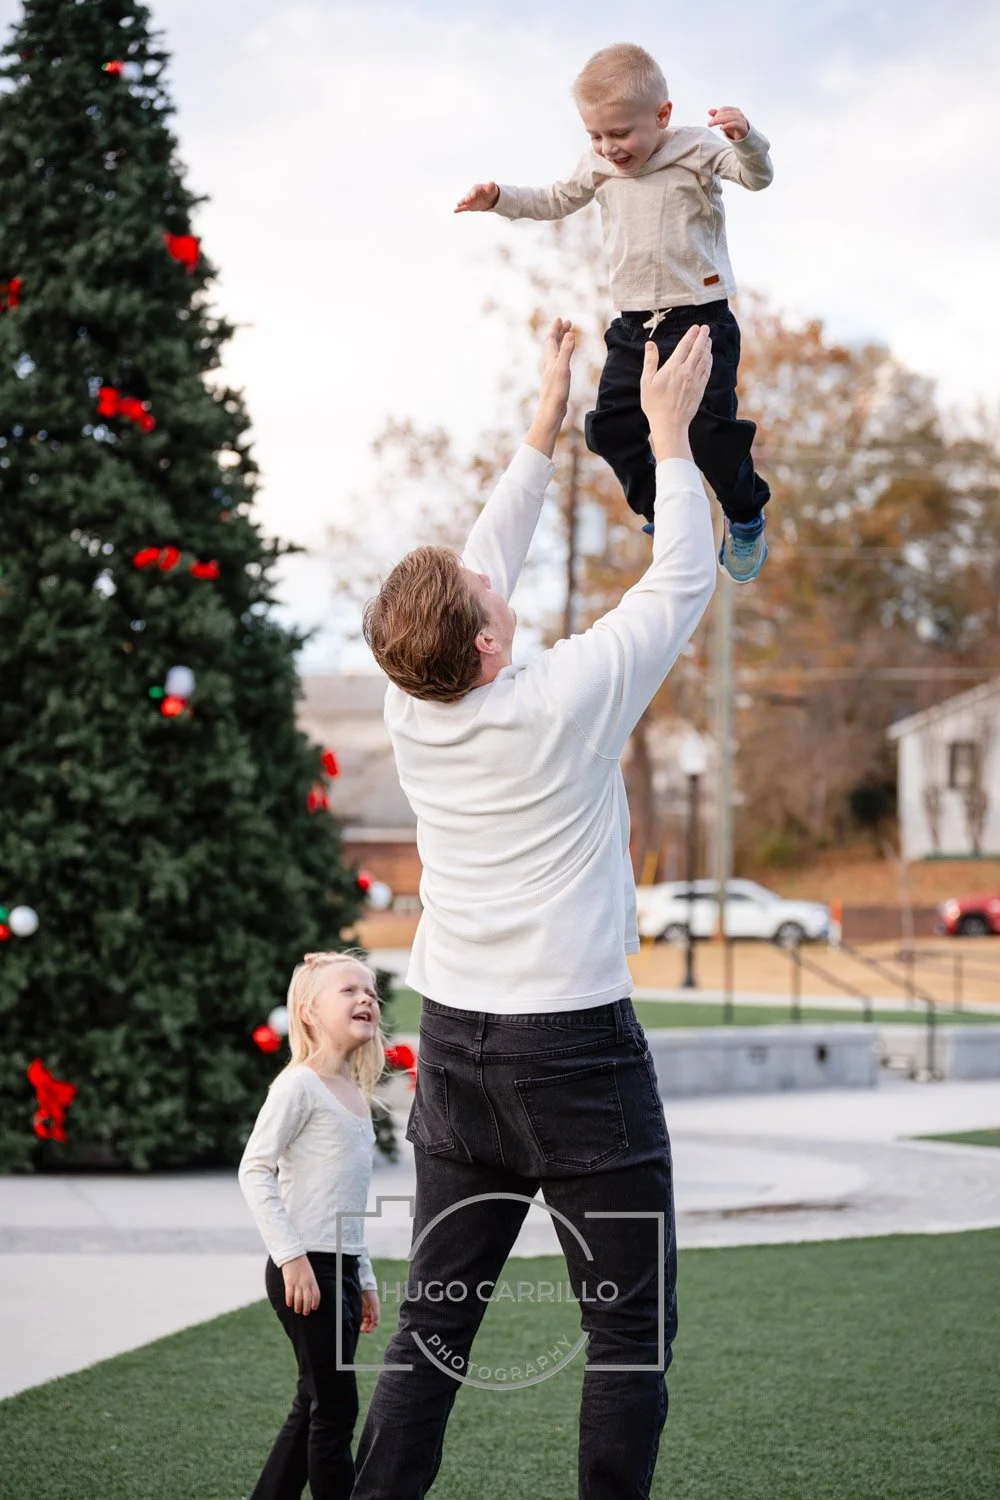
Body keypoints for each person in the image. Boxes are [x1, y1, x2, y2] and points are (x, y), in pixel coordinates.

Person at [350, 318, 716, 1499]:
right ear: (488, 639)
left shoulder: (414, 698)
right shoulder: (563, 699)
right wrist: (669, 437)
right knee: (626, 1340)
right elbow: (683, 574)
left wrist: (543, 422)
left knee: (430, 1338)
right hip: (575, 1058)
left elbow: (476, 568)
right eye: (482, 596)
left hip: (455, 1045)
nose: (487, 574)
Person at [456, 41, 773, 583]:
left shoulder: (697, 149)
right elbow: (554, 199)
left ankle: (744, 516)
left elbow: (756, 177)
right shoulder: (597, 167)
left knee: (708, 435)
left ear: (663, 115)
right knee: (610, 429)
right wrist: (500, 198)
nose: (610, 148)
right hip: (634, 327)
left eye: (621, 133)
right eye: (596, 136)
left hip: (700, 321)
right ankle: (663, 511)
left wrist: (747, 141)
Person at [238, 952, 385, 1500]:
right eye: (348, 990)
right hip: (305, 1267)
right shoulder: (298, 1086)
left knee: (314, 1402)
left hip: (338, 1268)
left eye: (370, 992)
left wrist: (363, 1276)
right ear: (308, 1012)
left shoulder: (356, 1097)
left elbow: (347, 1200)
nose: (365, 999)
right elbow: (254, 1169)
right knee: (336, 1409)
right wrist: (290, 1256)